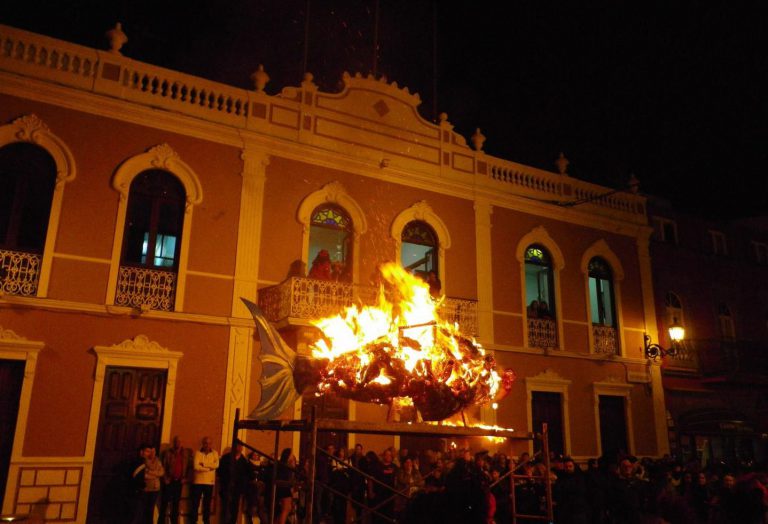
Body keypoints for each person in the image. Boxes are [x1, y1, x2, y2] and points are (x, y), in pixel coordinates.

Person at [218, 442, 255, 524]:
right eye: (238, 446)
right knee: (225, 508)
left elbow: (250, 474)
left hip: (237, 489)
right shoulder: (226, 458)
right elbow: (220, 471)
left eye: (240, 446)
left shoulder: (244, 461)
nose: (239, 448)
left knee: (235, 508)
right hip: (226, 487)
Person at [158, 436, 191, 524]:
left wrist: (186, 478)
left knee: (176, 504)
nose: (178, 443)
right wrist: (165, 478)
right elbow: (163, 466)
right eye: (176, 441)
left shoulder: (185, 454)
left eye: (179, 441)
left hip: (179, 482)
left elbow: (189, 467)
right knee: (164, 503)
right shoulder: (168, 453)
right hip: (169, 481)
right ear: (173, 442)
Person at [131, 443, 164, 524]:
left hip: (154, 489)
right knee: (139, 512)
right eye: (148, 451)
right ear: (141, 452)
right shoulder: (141, 462)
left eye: (153, 451)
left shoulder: (158, 461)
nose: (151, 453)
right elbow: (142, 475)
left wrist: (151, 473)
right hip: (143, 489)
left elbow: (161, 472)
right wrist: (155, 475)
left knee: (150, 511)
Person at [190, 436, 219, 524]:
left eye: (209, 443)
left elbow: (216, 465)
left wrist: (203, 464)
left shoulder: (215, 453)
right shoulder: (197, 453)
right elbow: (196, 466)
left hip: (209, 483)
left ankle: (206, 521)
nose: (207, 445)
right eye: (205, 443)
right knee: (195, 503)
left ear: (211, 444)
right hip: (198, 482)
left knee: (207, 504)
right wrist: (209, 468)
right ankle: (193, 521)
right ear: (202, 444)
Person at [275, 448, 296, 524]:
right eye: (291, 454)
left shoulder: (283, 465)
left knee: (286, 509)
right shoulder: (285, 466)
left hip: (284, 487)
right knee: (286, 509)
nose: (292, 456)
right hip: (284, 488)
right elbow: (288, 478)